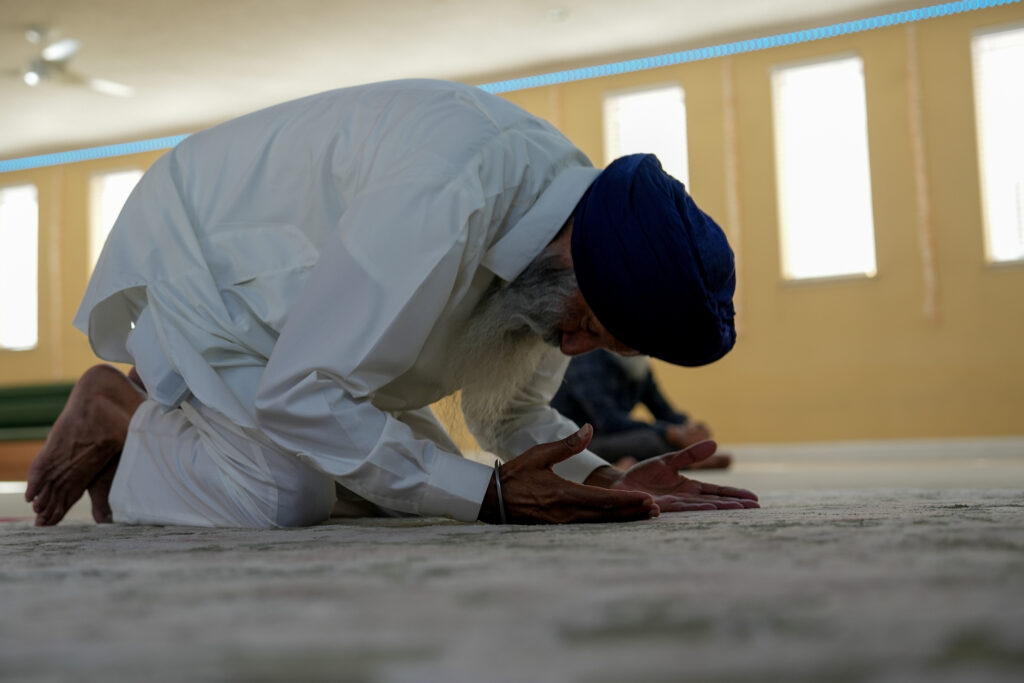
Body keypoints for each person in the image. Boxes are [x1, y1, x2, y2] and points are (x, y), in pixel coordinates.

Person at [25, 79, 757, 528]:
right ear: (578, 252)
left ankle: (183, 431)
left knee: (411, 480)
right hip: (212, 270)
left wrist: (605, 478)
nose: (571, 349)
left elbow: (505, 416)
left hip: (307, 326)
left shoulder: (565, 253)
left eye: (601, 343)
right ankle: (120, 420)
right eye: (589, 325)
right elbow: (301, 392)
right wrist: (491, 498)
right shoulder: (448, 194)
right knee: (283, 496)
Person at [551, 350, 732, 471]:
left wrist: (689, 428)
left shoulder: (636, 362)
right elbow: (608, 421)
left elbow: (662, 409)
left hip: (613, 438)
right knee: (650, 440)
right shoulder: (586, 359)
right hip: (579, 441)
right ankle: (688, 460)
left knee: (656, 438)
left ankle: (687, 456)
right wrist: (671, 433)